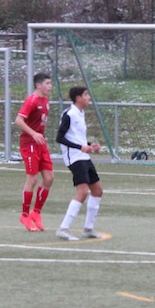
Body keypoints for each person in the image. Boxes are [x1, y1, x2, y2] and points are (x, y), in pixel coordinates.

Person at [54, 86, 105, 241]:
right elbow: (60, 138)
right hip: (74, 158)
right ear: (78, 98)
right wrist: (81, 147)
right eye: (85, 95)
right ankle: (63, 228)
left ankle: (88, 229)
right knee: (82, 193)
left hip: (83, 157)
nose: (88, 97)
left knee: (97, 191)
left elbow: (77, 138)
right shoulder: (69, 114)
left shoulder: (80, 114)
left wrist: (90, 145)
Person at [15, 72, 55, 232]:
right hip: (29, 144)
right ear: (38, 85)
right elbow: (19, 120)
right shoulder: (31, 100)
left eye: (50, 83)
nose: (50, 86)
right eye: (47, 83)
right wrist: (33, 133)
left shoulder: (45, 100)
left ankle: (36, 212)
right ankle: (24, 215)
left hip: (40, 143)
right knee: (32, 180)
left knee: (49, 178)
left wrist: (39, 135)